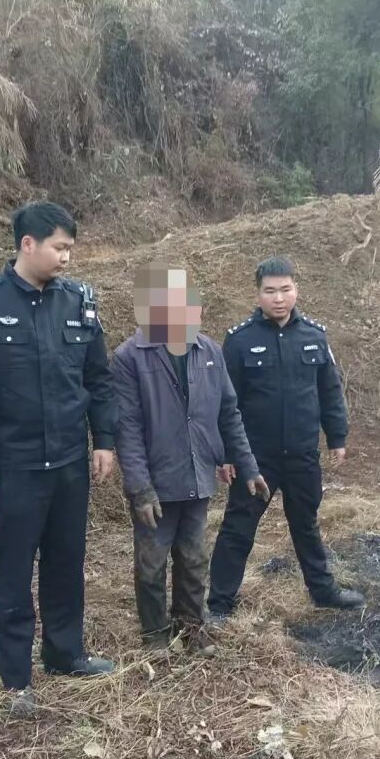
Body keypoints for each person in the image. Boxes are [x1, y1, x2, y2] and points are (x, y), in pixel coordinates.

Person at [0, 201, 117, 717]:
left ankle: (65, 654)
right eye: (59, 248)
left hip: (68, 462)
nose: (67, 258)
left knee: (66, 562)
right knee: (14, 569)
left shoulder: (79, 301)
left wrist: (103, 440)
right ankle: (17, 679)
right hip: (16, 465)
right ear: (28, 244)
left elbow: (97, 378)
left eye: (70, 249)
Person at [112, 263, 268, 654]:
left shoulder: (209, 351)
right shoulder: (130, 357)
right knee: (152, 561)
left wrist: (248, 466)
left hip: (198, 474)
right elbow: (128, 428)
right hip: (156, 481)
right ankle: (155, 635)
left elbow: (228, 413)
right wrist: (140, 488)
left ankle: (191, 628)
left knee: (194, 558)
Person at [207, 256, 364, 620]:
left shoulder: (314, 336)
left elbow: (329, 391)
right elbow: (225, 403)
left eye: (285, 289)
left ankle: (323, 592)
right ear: (258, 294)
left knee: (306, 524)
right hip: (255, 459)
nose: (278, 298)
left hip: (302, 455)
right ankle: (219, 604)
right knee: (238, 528)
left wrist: (337, 436)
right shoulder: (240, 340)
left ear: (297, 290)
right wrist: (226, 454)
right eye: (270, 291)